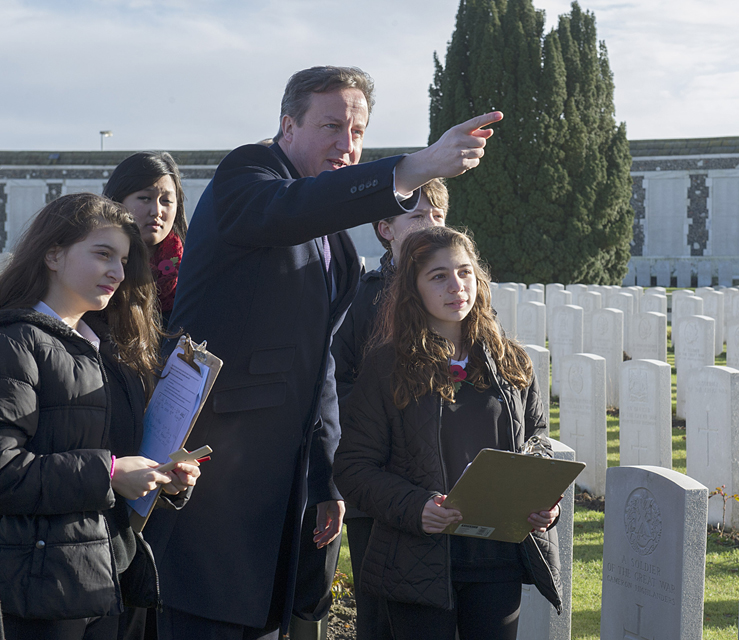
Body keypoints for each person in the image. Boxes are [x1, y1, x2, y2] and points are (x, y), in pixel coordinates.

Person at [143, 65, 502, 640]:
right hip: (221, 464)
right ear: (287, 125)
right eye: (331, 125)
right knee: (205, 618)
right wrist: (414, 169)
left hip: (289, 474)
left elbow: (323, 364)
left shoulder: (336, 233)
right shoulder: (247, 175)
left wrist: (329, 479)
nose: (347, 144)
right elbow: (289, 208)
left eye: (358, 131)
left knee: (271, 620)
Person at [333, 226, 562, 640]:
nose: (456, 286)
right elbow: (353, 468)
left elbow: (537, 442)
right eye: (438, 276)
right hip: (419, 560)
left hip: (497, 560)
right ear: (413, 289)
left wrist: (544, 504)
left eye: (464, 272)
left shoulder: (511, 361)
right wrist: (415, 506)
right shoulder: (386, 367)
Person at [0, 193, 199, 640]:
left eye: (124, 259)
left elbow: (120, 457)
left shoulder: (106, 349)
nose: (118, 272)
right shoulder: (15, 343)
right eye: (103, 254)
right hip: (40, 594)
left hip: (110, 576)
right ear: (53, 254)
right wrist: (109, 474)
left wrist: (160, 475)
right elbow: (4, 471)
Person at [331, 178, 447, 640]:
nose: (431, 225)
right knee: (383, 620)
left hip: (445, 482)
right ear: (385, 228)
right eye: (417, 216)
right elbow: (336, 382)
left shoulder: (460, 294)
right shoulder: (363, 295)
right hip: (379, 483)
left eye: (438, 215)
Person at [103, 151, 188, 330]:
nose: (156, 211)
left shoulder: (193, 273)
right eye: (145, 198)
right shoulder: (95, 270)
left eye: (166, 200)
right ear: (117, 201)